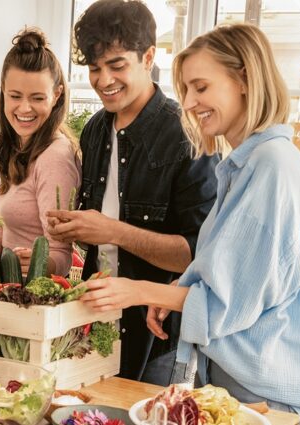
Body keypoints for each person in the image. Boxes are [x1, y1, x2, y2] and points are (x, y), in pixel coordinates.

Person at [78, 24, 300, 420]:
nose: (191, 103)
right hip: (237, 387)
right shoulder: (243, 165)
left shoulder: (271, 167)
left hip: (264, 401)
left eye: (201, 87)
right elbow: (234, 273)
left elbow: (224, 305)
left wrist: (139, 291)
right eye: (187, 90)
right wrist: (179, 287)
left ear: (244, 79)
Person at [46, 0, 219, 385]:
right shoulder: (93, 131)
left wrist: (111, 230)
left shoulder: (186, 134)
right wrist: (72, 228)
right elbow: (97, 238)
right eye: (94, 68)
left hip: (158, 340)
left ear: (149, 57)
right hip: (97, 327)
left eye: (117, 65)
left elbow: (197, 255)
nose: (103, 80)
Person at [0, 28, 80, 277]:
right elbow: (14, 221)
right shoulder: (18, 146)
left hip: (33, 300)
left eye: (37, 98)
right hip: (6, 289)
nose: (24, 108)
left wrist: (41, 264)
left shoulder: (54, 158)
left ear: (56, 95)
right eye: (15, 96)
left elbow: (62, 253)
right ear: (3, 92)